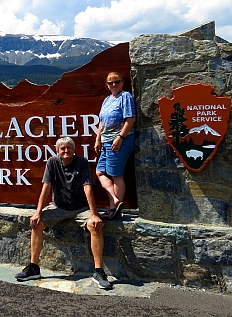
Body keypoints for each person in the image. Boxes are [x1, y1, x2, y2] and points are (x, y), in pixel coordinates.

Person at [15, 137, 112, 290]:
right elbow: (46, 188)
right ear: (58, 151)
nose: (66, 151)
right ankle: (33, 267)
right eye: (63, 148)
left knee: (95, 226)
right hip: (59, 207)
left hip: (81, 208)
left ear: (74, 150)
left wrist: (94, 215)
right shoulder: (52, 162)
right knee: (37, 224)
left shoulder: (82, 162)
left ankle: (99, 272)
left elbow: (88, 188)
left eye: (69, 148)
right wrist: (38, 213)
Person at [94, 72, 136, 220]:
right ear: (107, 85)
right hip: (105, 141)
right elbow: (101, 122)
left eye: (116, 82)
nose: (113, 85)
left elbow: (130, 119)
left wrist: (120, 137)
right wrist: (98, 139)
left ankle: (115, 210)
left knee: (116, 174)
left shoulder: (125, 97)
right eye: (110, 83)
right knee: (100, 172)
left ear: (122, 83)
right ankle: (115, 201)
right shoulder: (107, 100)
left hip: (119, 141)